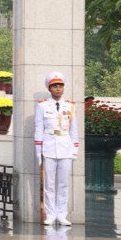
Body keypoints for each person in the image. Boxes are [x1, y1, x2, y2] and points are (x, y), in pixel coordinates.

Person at [35, 71, 79, 226]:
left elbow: (74, 130)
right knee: (49, 184)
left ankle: (61, 214)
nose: (58, 89)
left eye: (60, 86)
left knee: (63, 184)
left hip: (65, 147)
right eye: (55, 86)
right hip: (48, 147)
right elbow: (38, 129)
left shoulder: (71, 106)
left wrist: (74, 150)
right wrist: (38, 151)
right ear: (50, 88)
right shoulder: (42, 106)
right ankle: (50, 214)